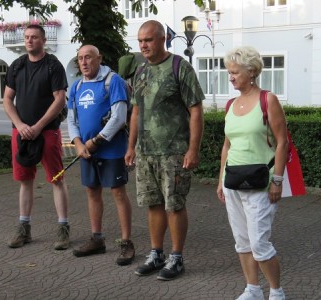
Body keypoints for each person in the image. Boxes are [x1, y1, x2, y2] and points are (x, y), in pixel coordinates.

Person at [125, 20, 204, 281]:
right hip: (146, 152)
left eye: (148, 40)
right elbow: (135, 110)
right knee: (153, 204)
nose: (143, 45)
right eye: (140, 41)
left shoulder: (181, 67)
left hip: (174, 152)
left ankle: (177, 257)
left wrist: (193, 149)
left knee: (174, 205)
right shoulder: (140, 71)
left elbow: (195, 110)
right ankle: (156, 253)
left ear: (161, 39)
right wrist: (131, 145)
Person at [217, 46, 288, 300]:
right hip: (233, 181)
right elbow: (227, 145)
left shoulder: (267, 100)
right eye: (229, 72)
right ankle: (253, 289)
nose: (231, 76)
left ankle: (277, 292)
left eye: (235, 72)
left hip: (261, 183)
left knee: (259, 244)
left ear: (251, 71)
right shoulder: (230, 104)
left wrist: (277, 181)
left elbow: (282, 142)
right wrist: (220, 180)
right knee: (242, 241)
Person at [3, 24, 70, 250]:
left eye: (34, 37)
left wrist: (39, 125)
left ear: (43, 40)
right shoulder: (17, 66)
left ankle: (63, 229)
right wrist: (21, 125)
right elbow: (7, 99)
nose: (29, 41)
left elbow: (59, 99)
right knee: (25, 180)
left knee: (57, 179)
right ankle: (24, 229)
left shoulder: (53, 66)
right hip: (20, 133)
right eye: (27, 37)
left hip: (48, 131)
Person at [67, 45, 135, 266]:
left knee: (118, 193)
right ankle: (97, 239)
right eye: (80, 59)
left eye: (88, 57)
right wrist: (78, 143)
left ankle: (126, 243)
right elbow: (71, 120)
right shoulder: (76, 86)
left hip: (111, 150)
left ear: (99, 58)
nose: (84, 62)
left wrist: (96, 141)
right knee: (92, 192)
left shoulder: (112, 81)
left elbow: (119, 117)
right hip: (87, 151)